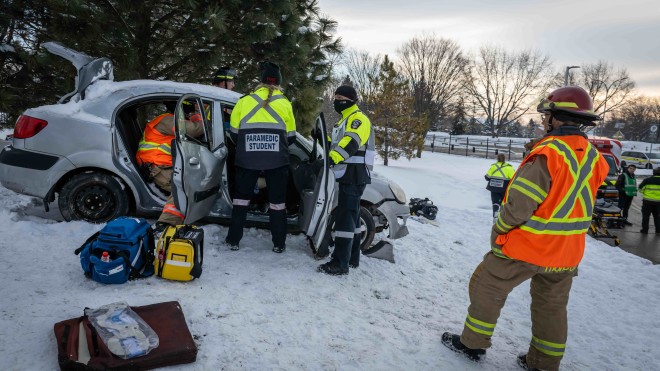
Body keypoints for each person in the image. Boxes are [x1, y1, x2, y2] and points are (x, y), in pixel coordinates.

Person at [441, 86, 609, 371]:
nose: (543, 120)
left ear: (557, 118)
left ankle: (472, 344)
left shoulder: (548, 153)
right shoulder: (593, 157)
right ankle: (542, 363)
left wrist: (501, 229)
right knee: (551, 308)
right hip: (567, 253)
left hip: (526, 246)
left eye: (547, 115)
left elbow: (519, 205)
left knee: (486, 286)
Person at [224, 62, 296, 253]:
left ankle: (233, 240)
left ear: (261, 81)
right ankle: (279, 244)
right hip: (277, 163)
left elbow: (233, 134)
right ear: (279, 83)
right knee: (278, 203)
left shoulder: (244, 101)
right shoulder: (285, 103)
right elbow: (292, 138)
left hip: (247, 160)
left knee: (241, 200)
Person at [317, 85, 374, 276]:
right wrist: (321, 138)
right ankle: (352, 258)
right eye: (336, 97)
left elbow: (350, 143)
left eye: (340, 97)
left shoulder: (358, 119)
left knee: (345, 220)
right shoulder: (345, 120)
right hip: (349, 175)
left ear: (350, 99)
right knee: (353, 217)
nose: (336, 101)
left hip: (354, 175)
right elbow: (338, 142)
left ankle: (340, 264)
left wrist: (332, 158)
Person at [136, 102, 204, 226]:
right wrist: (198, 117)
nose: (188, 115)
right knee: (184, 186)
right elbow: (193, 130)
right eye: (187, 112)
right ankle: (167, 223)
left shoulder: (168, 120)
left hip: (162, 165)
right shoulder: (167, 120)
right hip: (157, 167)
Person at [485, 153, 515, 219]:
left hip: (493, 188)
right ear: (505, 159)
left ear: (497, 158)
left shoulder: (493, 166)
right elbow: (513, 179)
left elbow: (487, 177)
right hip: (503, 188)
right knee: (503, 202)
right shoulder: (509, 167)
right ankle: (502, 216)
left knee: (495, 201)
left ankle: (495, 214)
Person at [638, 167, 660, 234]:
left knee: (646, 217)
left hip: (647, 202)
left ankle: (645, 230)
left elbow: (640, 189)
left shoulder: (647, 180)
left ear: (653, 172)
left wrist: (646, 193)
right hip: (658, 203)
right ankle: (658, 231)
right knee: (657, 217)